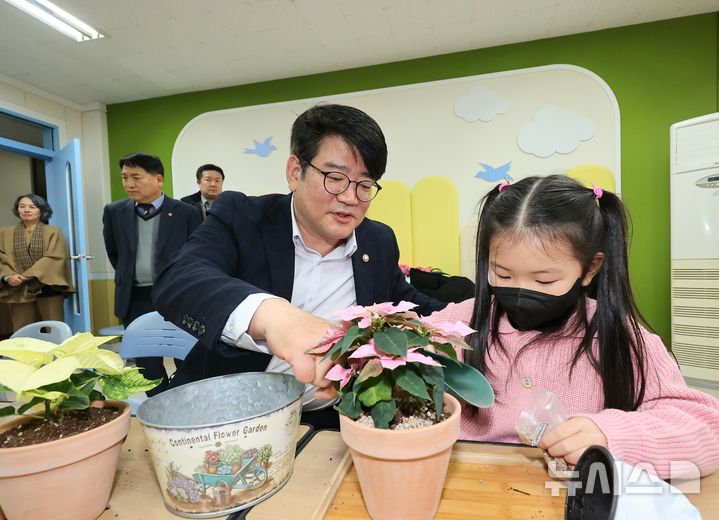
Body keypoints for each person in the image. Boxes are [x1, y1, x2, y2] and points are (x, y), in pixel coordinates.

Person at [153, 104, 447, 428]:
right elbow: (179, 278)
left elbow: (402, 300)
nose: (350, 197)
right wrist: (272, 316)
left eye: (365, 185)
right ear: (295, 171)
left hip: (330, 420)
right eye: (335, 178)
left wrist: (473, 313)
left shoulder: (376, 241)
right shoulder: (243, 216)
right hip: (226, 416)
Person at [429, 175, 719, 478]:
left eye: (544, 280)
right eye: (502, 274)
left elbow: (705, 426)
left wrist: (609, 435)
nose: (519, 291)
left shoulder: (622, 338)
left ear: (590, 269)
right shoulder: (455, 324)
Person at [103, 153, 201, 395]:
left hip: (177, 297)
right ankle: (160, 405)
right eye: (125, 177)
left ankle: (185, 403)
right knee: (147, 364)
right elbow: (114, 253)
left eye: (136, 177)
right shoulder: (115, 211)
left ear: (158, 180)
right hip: (135, 298)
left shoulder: (185, 212)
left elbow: (197, 253)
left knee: (187, 356)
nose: (128, 183)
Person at [0, 194, 74, 331]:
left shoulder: (53, 232)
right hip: (18, 288)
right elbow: (1, 259)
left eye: (32, 207)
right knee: (22, 329)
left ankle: (56, 352)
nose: (26, 210)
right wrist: (8, 277)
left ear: (42, 210)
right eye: (22, 206)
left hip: (48, 286)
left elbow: (55, 257)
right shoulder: (4, 233)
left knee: (54, 328)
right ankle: (23, 353)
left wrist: (30, 274)